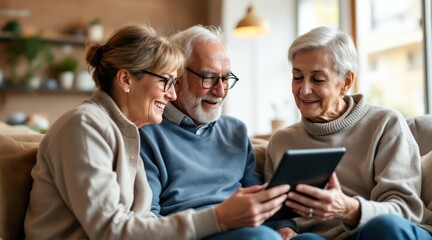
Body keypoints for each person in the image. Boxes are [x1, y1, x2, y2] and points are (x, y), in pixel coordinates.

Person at [23, 23, 288, 240]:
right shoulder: (84, 126)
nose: (172, 94)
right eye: (166, 82)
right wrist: (218, 218)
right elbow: (109, 230)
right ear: (126, 79)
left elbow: (144, 220)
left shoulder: (129, 130)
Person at [264, 26, 432, 240]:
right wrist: (284, 228)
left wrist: (348, 209)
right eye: (297, 77)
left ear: (346, 82)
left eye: (317, 79)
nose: (304, 90)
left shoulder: (385, 124)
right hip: (318, 238)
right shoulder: (281, 141)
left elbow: (406, 210)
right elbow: (275, 211)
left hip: (380, 232)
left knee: (384, 227)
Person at [139, 25, 297, 240]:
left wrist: (284, 228)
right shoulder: (147, 134)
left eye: (225, 78)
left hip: (251, 232)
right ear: (177, 77)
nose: (221, 91)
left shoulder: (236, 131)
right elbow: (149, 219)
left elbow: (262, 198)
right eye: (208, 77)